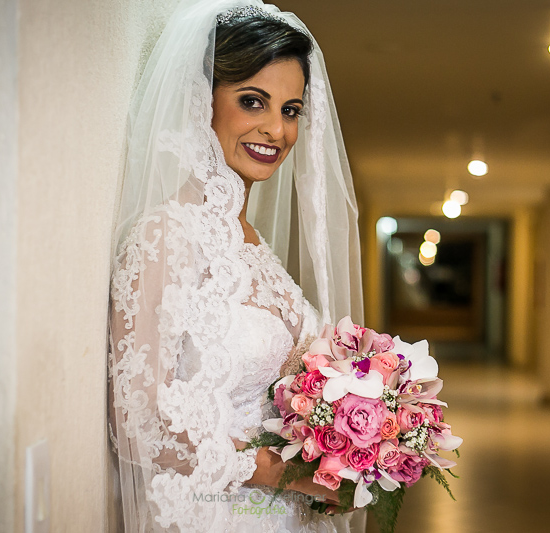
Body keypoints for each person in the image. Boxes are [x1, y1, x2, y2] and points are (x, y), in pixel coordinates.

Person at [108, 1, 363, 531]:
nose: (276, 130)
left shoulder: (254, 245)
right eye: (253, 102)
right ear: (201, 100)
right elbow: (137, 420)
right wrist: (283, 473)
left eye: (290, 110)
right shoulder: (165, 235)